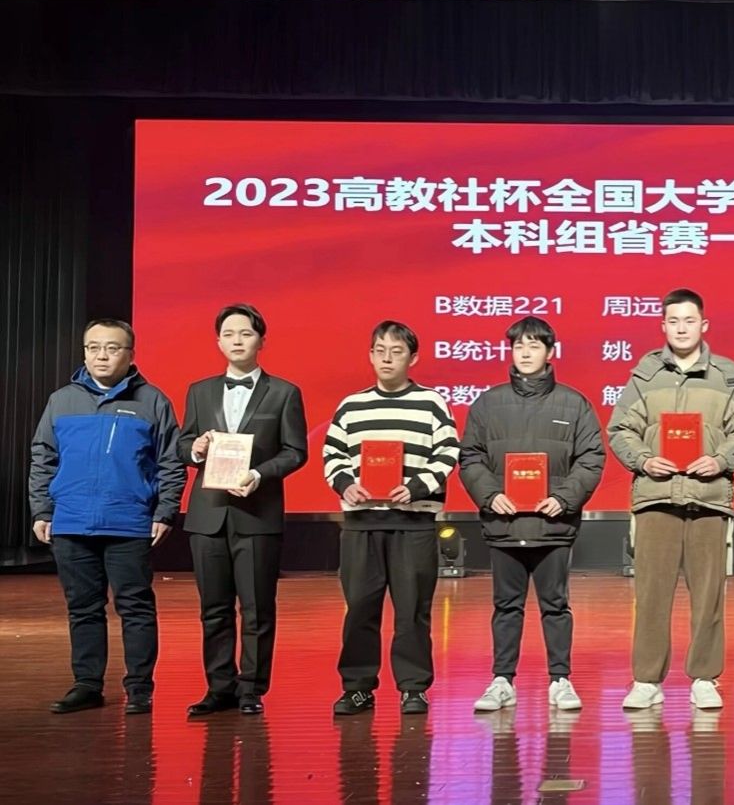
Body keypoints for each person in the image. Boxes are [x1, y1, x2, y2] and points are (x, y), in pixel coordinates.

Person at [607, 288, 734, 711]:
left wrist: (720, 460)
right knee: (651, 594)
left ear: (703, 325)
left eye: (689, 321)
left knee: (709, 595)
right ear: (663, 326)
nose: (681, 328)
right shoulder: (644, 375)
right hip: (656, 496)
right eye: (673, 321)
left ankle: (705, 678)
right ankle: (646, 680)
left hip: (708, 497)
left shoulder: (727, 376)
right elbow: (620, 430)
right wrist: (643, 460)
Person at [29, 318, 184, 714]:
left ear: (130, 354)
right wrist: (42, 509)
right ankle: (86, 685)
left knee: (135, 607)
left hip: (129, 522)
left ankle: (139, 688)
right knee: (83, 608)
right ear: (84, 352)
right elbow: (43, 458)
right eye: (93, 347)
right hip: (71, 522)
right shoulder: (61, 400)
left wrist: (165, 511)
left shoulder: (152, 401)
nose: (102, 355)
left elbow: (170, 462)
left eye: (112, 348)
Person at [459, 316, 605, 713]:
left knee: (555, 605)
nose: (525, 353)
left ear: (550, 352)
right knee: (506, 606)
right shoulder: (488, 403)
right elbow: (469, 456)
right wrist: (490, 495)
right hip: (504, 523)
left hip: (552, 523)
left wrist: (564, 497)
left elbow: (591, 457)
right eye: (518, 345)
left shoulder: (574, 404)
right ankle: (502, 680)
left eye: (534, 345)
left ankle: (560, 680)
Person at [323, 320, 459, 716]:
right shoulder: (351, 405)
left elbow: (448, 452)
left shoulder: (432, 403)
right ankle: (357, 688)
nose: (387, 358)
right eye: (380, 350)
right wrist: (346, 484)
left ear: (412, 358)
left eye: (396, 352)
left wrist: (416, 487)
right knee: (360, 608)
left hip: (413, 522)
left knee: (412, 610)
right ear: (370, 355)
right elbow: (332, 454)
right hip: (361, 524)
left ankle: (413, 687)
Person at [179, 303, 308, 717]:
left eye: (246, 333)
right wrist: (195, 448)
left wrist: (258, 474)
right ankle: (219, 687)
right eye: (229, 334)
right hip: (207, 514)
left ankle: (251, 688)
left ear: (261, 340)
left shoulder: (284, 392)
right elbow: (183, 443)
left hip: (257, 513)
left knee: (256, 608)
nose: (237, 341)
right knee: (213, 609)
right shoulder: (199, 391)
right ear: (218, 342)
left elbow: (295, 451)